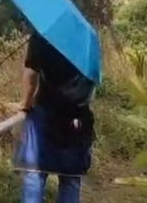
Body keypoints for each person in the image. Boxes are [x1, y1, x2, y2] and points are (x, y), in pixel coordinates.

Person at [15, 32, 96, 203]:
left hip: (46, 113)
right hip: (78, 117)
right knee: (71, 177)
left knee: (35, 172)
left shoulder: (43, 34)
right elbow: (93, 83)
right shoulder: (87, 37)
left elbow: (30, 76)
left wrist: (25, 104)